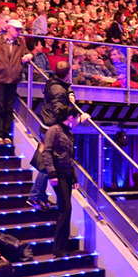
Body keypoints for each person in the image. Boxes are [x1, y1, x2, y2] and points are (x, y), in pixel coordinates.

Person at [39, 104, 86, 258]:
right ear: (70, 117)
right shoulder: (55, 129)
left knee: (66, 209)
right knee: (65, 208)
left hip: (66, 173)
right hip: (58, 173)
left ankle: (62, 246)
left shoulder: (68, 133)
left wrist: (74, 177)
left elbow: (70, 157)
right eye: (76, 118)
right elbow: (47, 152)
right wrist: (52, 173)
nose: (77, 121)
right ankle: (59, 248)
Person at [0, 18, 32, 145]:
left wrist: (30, 55)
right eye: (16, 29)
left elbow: (27, 53)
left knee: (9, 108)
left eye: (19, 30)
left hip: (13, 79)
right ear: (9, 28)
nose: (18, 32)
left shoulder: (20, 43)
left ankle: (6, 134)